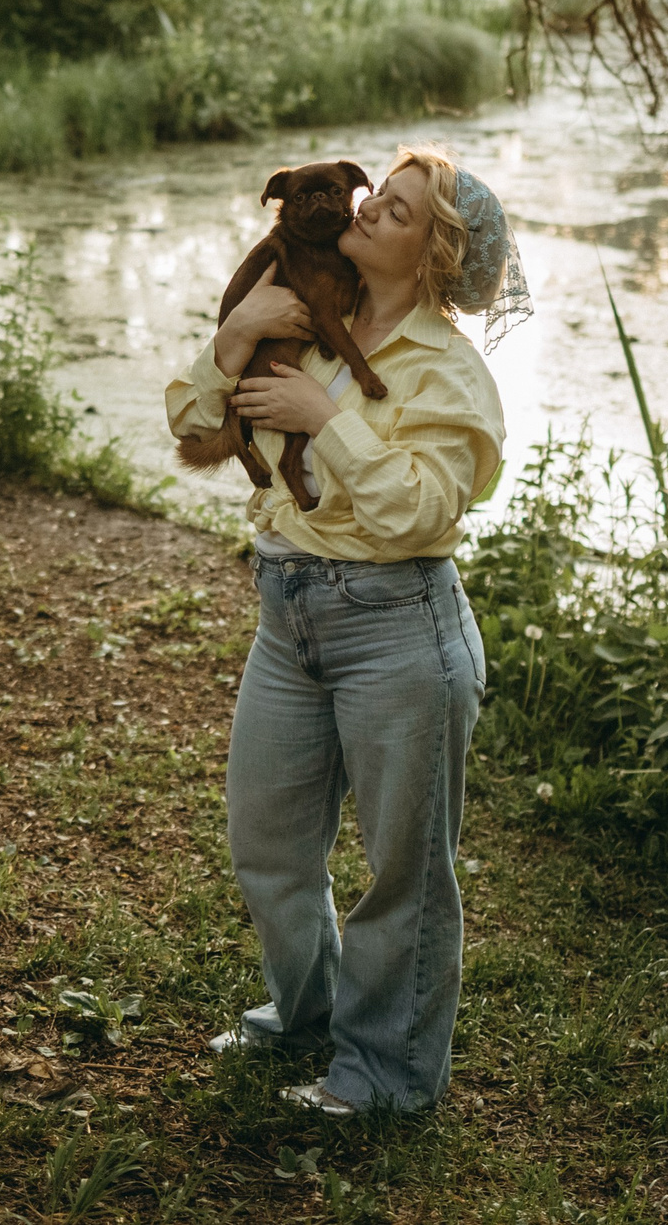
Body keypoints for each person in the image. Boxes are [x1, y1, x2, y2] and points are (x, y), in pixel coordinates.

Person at [165, 144, 531, 1116]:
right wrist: (236, 335)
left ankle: (384, 1076)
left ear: (433, 260)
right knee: (268, 843)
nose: (365, 212)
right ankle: (307, 1009)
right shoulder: (304, 311)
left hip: (398, 629)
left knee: (404, 875)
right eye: (379, 197)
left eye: (397, 213)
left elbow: (418, 512)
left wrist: (326, 416)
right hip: (287, 618)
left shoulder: (451, 374)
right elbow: (193, 429)